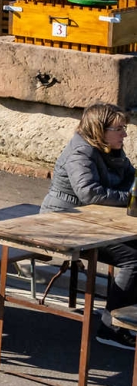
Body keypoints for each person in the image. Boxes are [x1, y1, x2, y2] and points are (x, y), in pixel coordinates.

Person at [42, 104, 137, 347]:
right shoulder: (81, 151)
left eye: (124, 128)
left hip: (91, 221)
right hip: (61, 222)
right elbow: (90, 194)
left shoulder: (111, 149)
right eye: (119, 129)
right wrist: (130, 197)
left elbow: (130, 178)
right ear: (99, 129)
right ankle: (111, 328)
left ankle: (124, 314)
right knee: (132, 258)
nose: (124, 135)